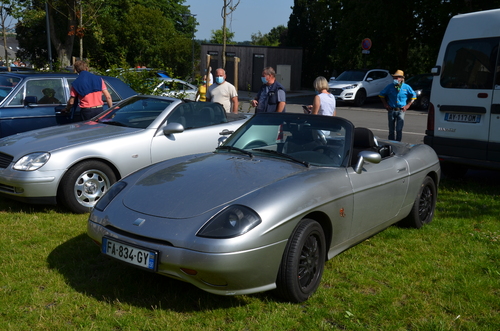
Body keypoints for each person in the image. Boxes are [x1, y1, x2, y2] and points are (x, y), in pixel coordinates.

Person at [379, 70, 416, 141]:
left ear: (402, 78)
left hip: (401, 110)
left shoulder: (406, 87)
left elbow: (414, 95)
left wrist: (408, 105)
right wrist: (385, 104)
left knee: (399, 129)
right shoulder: (390, 87)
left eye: (397, 77)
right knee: (391, 130)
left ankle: (398, 143)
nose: (396, 79)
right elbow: (381, 94)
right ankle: (391, 144)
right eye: (394, 77)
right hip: (391, 110)